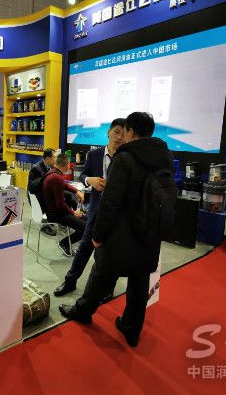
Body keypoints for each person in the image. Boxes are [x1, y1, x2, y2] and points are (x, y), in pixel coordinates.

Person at [59, 112, 175, 348]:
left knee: (100, 273)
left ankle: (83, 311)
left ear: (131, 131)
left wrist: (98, 235)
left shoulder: (125, 159)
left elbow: (110, 203)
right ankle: (132, 329)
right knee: (139, 282)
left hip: (121, 233)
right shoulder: (164, 157)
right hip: (149, 232)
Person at [54, 118, 126, 297]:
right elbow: (83, 175)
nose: (119, 137)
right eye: (117, 132)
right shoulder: (94, 155)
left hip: (115, 215)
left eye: (124, 134)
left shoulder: (126, 158)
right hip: (95, 211)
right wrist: (89, 180)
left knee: (110, 254)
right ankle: (70, 282)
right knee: (84, 249)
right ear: (109, 132)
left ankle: (107, 289)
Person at [41, 153, 85, 256]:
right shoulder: (57, 178)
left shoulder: (52, 173)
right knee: (84, 227)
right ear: (67, 165)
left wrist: (76, 191)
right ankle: (64, 243)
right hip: (56, 215)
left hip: (53, 211)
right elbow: (60, 204)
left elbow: (64, 184)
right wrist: (73, 213)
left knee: (86, 219)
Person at [28, 148, 58, 236]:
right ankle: (45, 225)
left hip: (44, 194)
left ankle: (56, 219)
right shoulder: (36, 169)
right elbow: (32, 187)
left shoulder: (51, 167)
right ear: (48, 159)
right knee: (56, 200)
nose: (56, 159)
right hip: (37, 198)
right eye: (54, 157)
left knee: (66, 195)